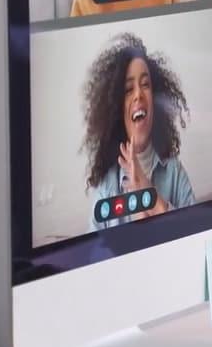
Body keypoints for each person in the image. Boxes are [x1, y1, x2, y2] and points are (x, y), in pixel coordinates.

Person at [83, 33, 196, 228]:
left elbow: (196, 234)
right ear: (117, 108)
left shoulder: (174, 172)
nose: (138, 95)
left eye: (145, 85)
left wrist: (148, 193)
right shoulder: (106, 190)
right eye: (128, 89)